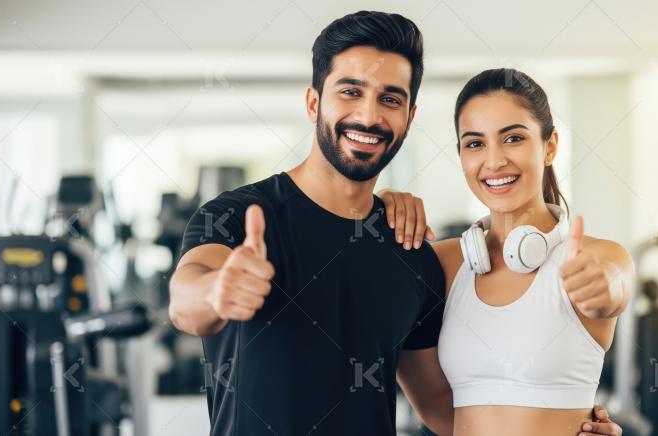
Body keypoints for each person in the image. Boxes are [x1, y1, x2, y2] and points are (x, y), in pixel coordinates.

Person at [170, 10, 622, 436]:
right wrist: (217, 292)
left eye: (390, 99)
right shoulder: (236, 215)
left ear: (409, 117)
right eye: (350, 91)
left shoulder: (408, 251)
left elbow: (444, 409)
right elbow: (185, 299)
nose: (369, 115)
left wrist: (575, 424)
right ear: (313, 102)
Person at [382, 68, 633, 435]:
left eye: (513, 138)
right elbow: (436, 406)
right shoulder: (444, 263)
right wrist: (382, 209)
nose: (494, 161)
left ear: (549, 146)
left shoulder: (599, 257)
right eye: (475, 143)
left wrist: (602, 289)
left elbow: (613, 286)